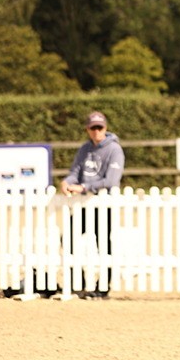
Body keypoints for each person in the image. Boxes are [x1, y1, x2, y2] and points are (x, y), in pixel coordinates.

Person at [61, 111, 125, 297]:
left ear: (105, 128)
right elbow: (76, 171)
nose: (96, 131)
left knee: (103, 245)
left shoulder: (114, 150)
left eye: (100, 127)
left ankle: (103, 287)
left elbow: (111, 180)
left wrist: (84, 187)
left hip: (103, 205)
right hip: (83, 205)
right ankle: (78, 282)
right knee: (68, 239)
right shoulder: (84, 149)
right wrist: (67, 181)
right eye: (93, 127)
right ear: (87, 129)